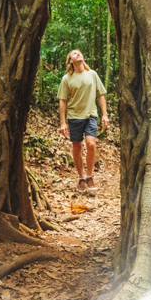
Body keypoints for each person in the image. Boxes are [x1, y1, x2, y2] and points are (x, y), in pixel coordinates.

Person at [57, 49, 109, 195]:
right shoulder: (66, 78)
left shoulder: (92, 74)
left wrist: (104, 115)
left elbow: (101, 94)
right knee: (77, 146)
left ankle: (89, 176)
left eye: (79, 52)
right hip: (74, 116)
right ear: (70, 61)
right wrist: (62, 123)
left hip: (91, 115)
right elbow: (62, 100)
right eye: (74, 54)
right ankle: (81, 178)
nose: (78, 54)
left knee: (91, 144)